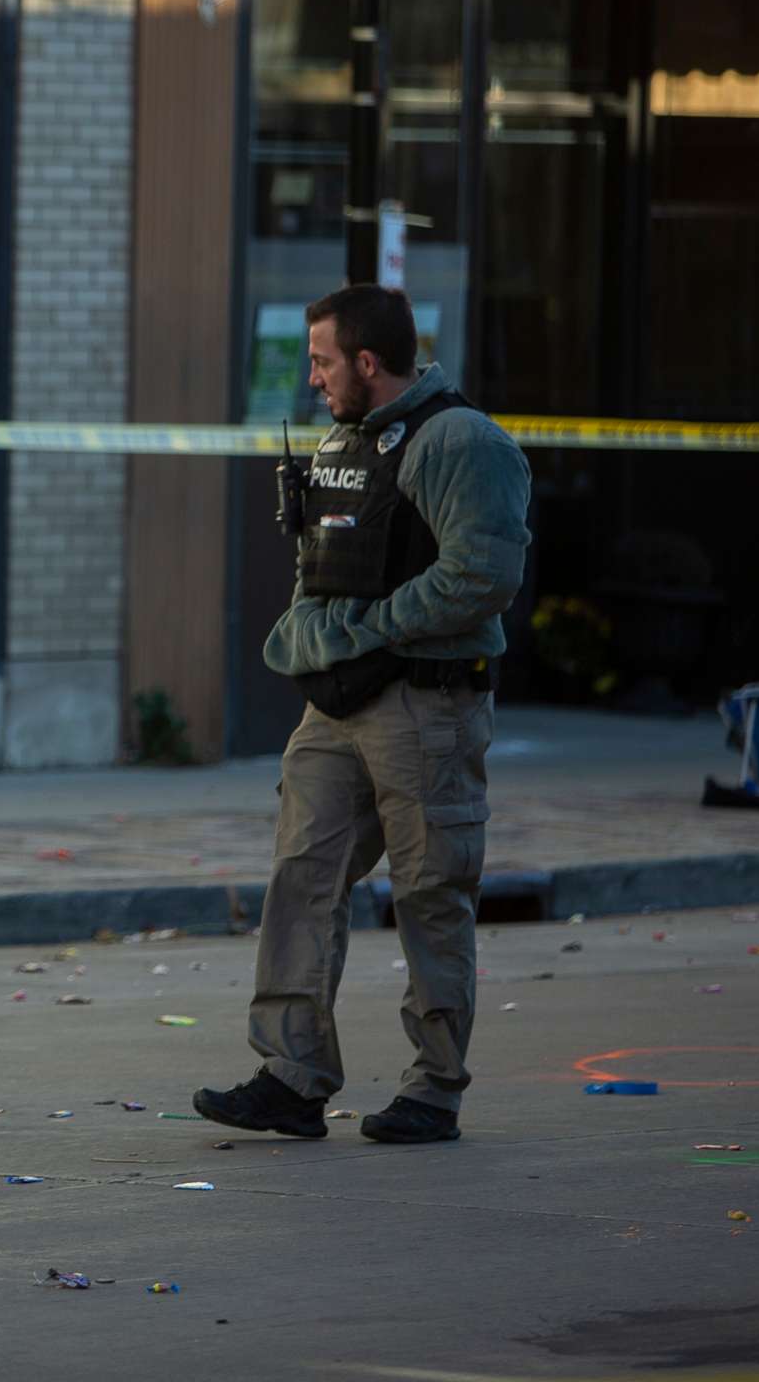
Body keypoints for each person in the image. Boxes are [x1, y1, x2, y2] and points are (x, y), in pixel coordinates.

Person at [196, 283, 531, 1146]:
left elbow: (480, 577)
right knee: (302, 877)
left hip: (426, 703)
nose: (312, 378)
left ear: (368, 363)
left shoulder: (459, 441)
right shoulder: (348, 440)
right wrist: (314, 639)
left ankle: (435, 1087)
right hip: (340, 705)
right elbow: (324, 561)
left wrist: (365, 631)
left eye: (322, 361)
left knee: (430, 892)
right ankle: (291, 1075)